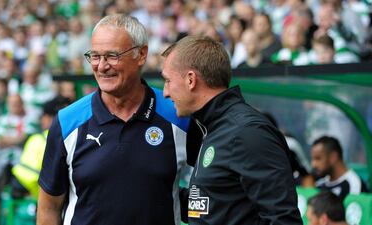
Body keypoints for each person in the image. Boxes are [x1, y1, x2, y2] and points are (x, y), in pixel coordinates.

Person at [37, 14, 190, 225]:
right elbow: (48, 208)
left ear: (141, 54)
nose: (101, 66)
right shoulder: (67, 122)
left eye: (112, 56)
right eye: (95, 56)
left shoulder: (179, 116)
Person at [161, 35, 302, 224]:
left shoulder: (247, 132)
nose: (165, 92)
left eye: (168, 81)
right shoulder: (212, 127)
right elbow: (212, 205)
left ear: (190, 80)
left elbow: (283, 219)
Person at [311, 135, 369, 200]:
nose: (313, 164)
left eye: (318, 158)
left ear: (333, 157)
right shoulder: (319, 184)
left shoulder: (353, 184)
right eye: (313, 159)